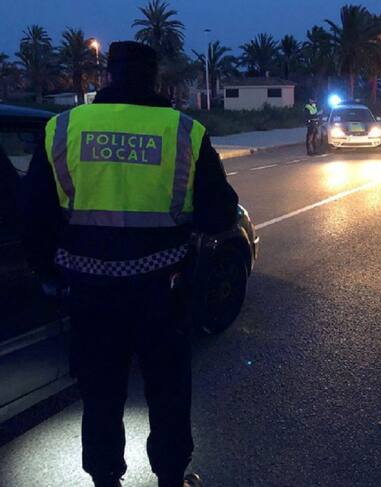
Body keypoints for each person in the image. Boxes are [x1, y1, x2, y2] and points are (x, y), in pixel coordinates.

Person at [20, 41, 240, 487]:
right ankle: (170, 478)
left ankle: (105, 478)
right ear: (154, 79)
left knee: (100, 394)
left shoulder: (64, 128)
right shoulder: (183, 131)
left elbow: (34, 215)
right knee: (168, 392)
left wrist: (48, 275)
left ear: (108, 76)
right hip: (163, 293)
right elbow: (220, 214)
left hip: (88, 296)